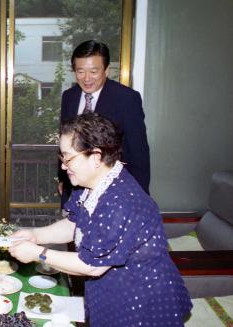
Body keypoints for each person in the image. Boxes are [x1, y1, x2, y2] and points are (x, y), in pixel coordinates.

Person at [10, 113, 192, 326]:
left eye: (68, 158)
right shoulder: (93, 185)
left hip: (142, 302)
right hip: (111, 293)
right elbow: (75, 223)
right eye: (62, 158)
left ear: (96, 157)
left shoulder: (121, 201)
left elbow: (91, 265)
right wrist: (35, 235)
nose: (63, 166)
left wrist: (37, 254)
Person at [58, 40, 150, 206]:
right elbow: (65, 143)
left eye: (93, 71)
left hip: (114, 194)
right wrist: (63, 179)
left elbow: (139, 152)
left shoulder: (127, 99)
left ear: (106, 70)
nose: (86, 78)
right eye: (80, 71)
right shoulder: (69, 97)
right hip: (74, 193)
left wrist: (139, 197)